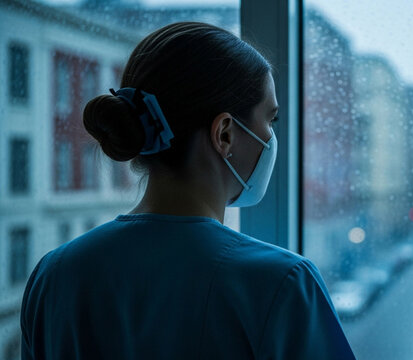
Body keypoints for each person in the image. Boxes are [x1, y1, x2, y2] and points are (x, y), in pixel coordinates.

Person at [20, 22, 355, 360]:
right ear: (225, 134)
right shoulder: (283, 284)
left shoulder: (53, 276)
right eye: (271, 120)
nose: (271, 136)